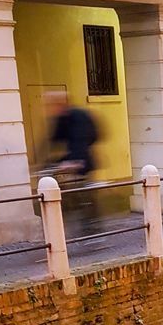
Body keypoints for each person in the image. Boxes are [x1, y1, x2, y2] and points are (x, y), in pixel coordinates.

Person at [46, 92, 100, 233]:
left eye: (53, 104)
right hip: (71, 158)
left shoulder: (78, 116)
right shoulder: (61, 118)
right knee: (67, 190)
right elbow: (53, 139)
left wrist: (75, 160)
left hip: (83, 160)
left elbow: (82, 139)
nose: (51, 108)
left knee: (85, 193)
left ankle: (92, 227)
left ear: (61, 103)